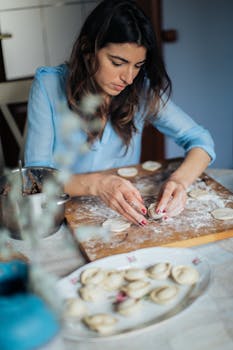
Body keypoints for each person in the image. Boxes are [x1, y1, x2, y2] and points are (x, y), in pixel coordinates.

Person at [25, 0, 215, 227]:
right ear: (88, 50)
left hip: (121, 218)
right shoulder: (48, 84)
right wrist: (97, 184)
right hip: (61, 219)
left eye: (137, 66)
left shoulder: (140, 90)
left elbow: (201, 140)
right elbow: (34, 179)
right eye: (117, 62)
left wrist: (179, 182)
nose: (128, 78)